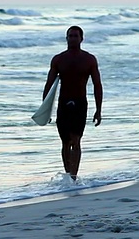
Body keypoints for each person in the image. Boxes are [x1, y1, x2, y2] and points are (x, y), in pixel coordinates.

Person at [43, 26, 103, 180]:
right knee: (65, 142)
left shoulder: (89, 59)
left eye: (76, 36)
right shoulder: (58, 59)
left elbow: (97, 84)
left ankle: (73, 177)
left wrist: (98, 110)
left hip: (80, 103)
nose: (73, 39)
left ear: (81, 39)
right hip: (64, 104)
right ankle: (68, 175)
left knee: (76, 140)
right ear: (66, 38)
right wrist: (45, 110)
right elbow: (49, 84)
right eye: (70, 36)